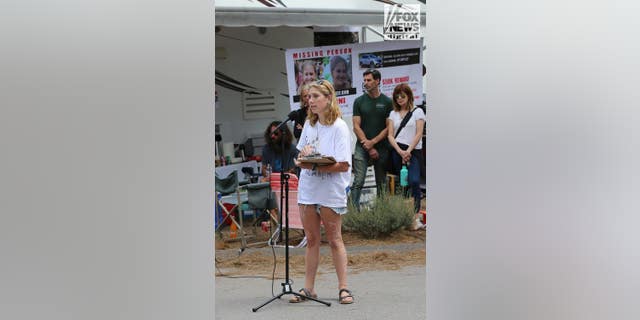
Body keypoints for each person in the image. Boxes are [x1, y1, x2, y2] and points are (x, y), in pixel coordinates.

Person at [290, 80, 354, 305]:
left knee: (335, 240)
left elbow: (344, 164)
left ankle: (343, 288)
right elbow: (299, 156)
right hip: (309, 188)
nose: (311, 100)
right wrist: (303, 157)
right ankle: (309, 289)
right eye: (309, 97)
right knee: (312, 239)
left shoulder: (339, 127)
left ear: (328, 98)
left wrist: (315, 165)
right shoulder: (309, 124)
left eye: (316, 96)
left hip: (330, 190)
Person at [350, 69, 393, 210]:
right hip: (362, 146)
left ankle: (382, 211)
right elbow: (356, 126)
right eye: (365, 80)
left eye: (369, 80)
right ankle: (353, 212)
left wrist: (373, 143)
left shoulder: (387, 102)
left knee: (381, 182)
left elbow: (388, 128)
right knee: (358, 180)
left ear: (377, 81)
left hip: (381, 147)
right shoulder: (359, 101)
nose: (366, 83)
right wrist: (367, 145)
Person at [386, 83, 426, 229]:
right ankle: (405, 217)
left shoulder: (418, 112)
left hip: (413, 150)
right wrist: (400, 151)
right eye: (397, 96)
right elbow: (390, 135)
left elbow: (419, 133)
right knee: (404, 184)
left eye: (402, 96)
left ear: (409, 96)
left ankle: (416, 217)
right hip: (398, 151)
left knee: (414, 181)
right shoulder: (393, 114)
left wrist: (408, 151)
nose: (400, 99)